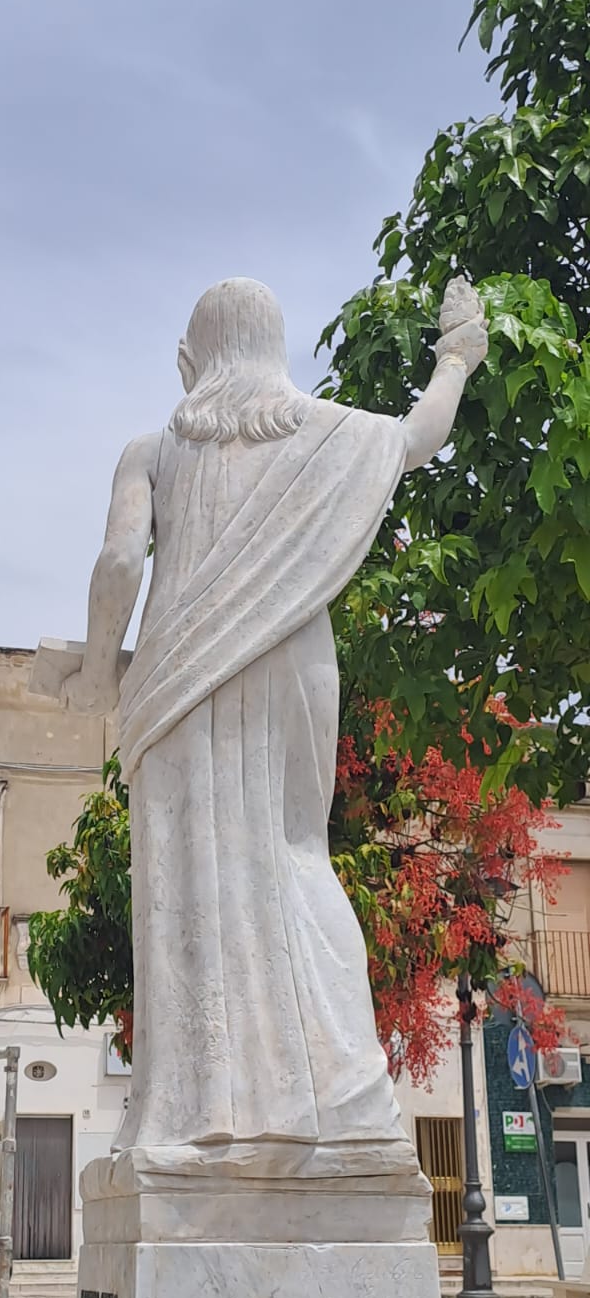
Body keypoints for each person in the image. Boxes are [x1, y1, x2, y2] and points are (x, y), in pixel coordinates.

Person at [60, 276, 487, 1160]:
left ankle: (190, 1108)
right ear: (273, 351)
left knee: (185, 876)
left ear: (192, 361)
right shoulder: (327, 433)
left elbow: (118, 563)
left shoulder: (152, 449)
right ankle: (342, 1091)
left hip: (177, 675)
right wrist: (456, 358)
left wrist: (97, 672)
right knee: (296, 853)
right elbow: (418, 437)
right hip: (294, 660)